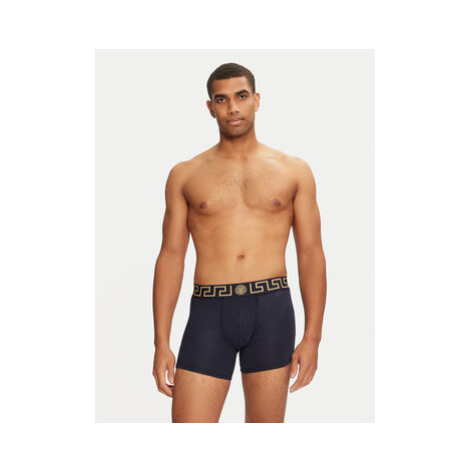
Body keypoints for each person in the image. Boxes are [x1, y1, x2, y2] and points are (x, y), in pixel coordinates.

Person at [152, 62, 327, 423]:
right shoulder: (185, 174)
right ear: (210, 107)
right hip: (208, 313)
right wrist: (161, 342)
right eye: (222, 99)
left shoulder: (294, 170)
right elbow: (171, 256)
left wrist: (313, 338)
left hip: (271, 310)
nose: (232, 107)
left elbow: (310, 254)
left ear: (256, 100)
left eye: (241, 96)